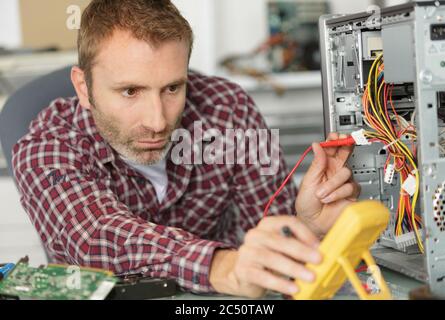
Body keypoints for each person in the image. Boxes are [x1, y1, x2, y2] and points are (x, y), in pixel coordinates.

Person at [12, 0, 360, 298]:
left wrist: (307, 227)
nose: (157, 120)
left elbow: (273, 235)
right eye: (131, 91)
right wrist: (222, 265)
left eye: (172, 88)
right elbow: (94, 236)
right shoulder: (45, 147)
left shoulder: (228, 108)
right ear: (83, 88)